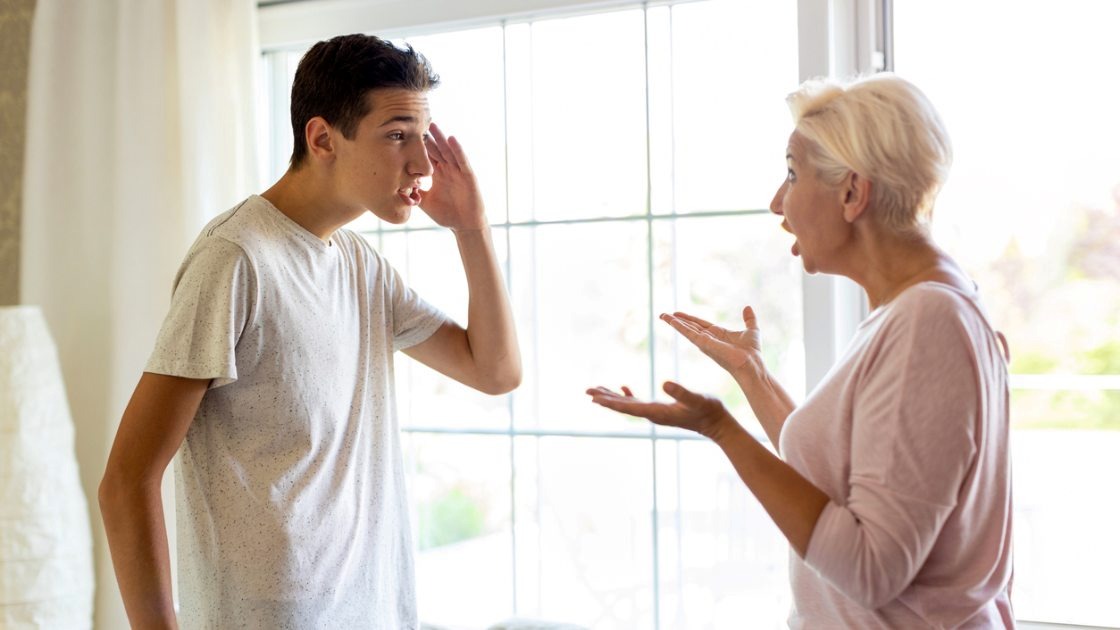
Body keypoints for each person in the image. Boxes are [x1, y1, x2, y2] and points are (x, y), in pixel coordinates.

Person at [98, 34, 521, 629]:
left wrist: (470, 229)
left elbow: (495, 371)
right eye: (398, 135)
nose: (423, 164)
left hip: (374, 613)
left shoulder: (361, 266)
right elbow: (126, 481)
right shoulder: (235, 260)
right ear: (322, 138)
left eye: (424, 138)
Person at [588, 74, 1014, 628]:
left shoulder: (926, 322)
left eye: (791, 173)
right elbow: (840, 486)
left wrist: (721, 429)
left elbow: (869, 569)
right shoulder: (914, 312)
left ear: (852, 193)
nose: (775, 201)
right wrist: (754, 376)